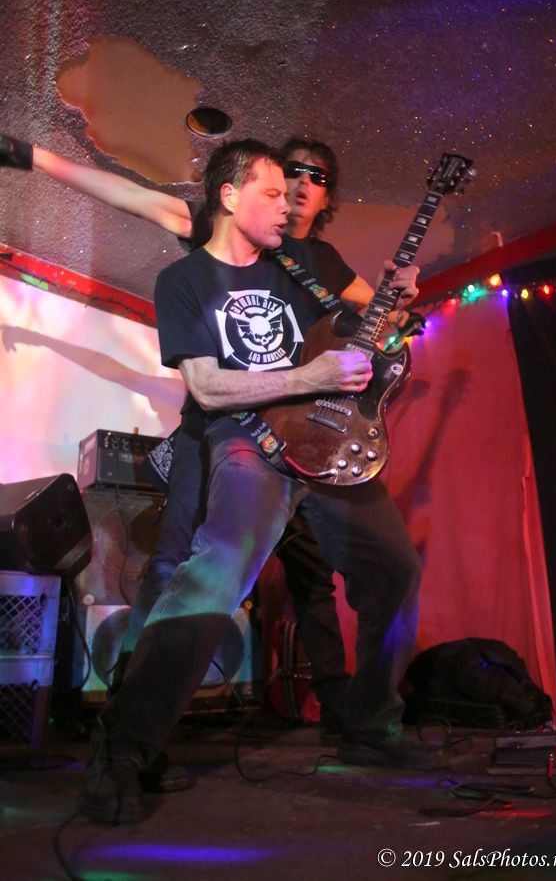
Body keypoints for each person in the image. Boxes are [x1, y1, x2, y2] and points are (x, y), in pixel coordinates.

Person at [73, 137, 448, 825]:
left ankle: (370, 724)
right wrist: (310, 376)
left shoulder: (300, 266)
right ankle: (122, 750)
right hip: (245, 436)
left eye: (295, 191)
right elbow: (207, 387)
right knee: (215, 570)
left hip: (325, 443)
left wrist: (394, 309)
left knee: (395, 569)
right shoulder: (184, 281)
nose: (290, 204)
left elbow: (368, 339)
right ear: (229, 196)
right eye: (273, 193)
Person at [1, 129, 402, 739]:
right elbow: (132, 197)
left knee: (319, 579)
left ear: (327, 199)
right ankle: (132, 721)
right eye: (288, 173)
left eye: (315, 177)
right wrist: (36, 157)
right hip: (224, 430)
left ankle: (346, 717)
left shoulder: (317, 264)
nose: (299, 184)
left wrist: (400, 302)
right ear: (239, 195)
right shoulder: (217, 238)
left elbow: (382, 318)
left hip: (305, 438)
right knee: (178, 565)